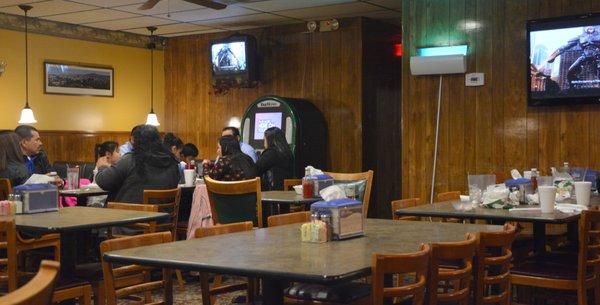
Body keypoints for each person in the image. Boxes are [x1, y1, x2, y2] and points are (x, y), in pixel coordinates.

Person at [95, 125, 180, 203]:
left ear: (135, 141)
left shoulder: (132, 159)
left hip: (131, 216)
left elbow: (104, 181)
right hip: (163, 216)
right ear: (158, 140)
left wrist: (102, 167)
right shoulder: (172, 162)